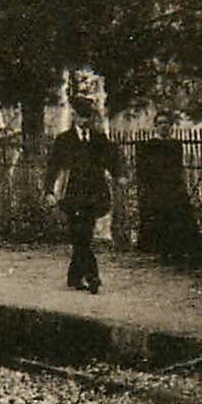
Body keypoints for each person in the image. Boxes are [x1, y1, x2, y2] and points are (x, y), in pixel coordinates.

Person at [45, 93, 125, 293]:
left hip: (94, 196)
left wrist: (119, 175)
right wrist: (48, 190)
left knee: (83, 236)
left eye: (88, 116)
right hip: (71, 196)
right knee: (80, 236)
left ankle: (75, 277)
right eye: (81, 116)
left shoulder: (99, 140)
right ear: (75, 117)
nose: (85, 120)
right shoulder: (64, 140)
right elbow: (53, 167)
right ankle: (92, 275)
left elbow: (113, 159)